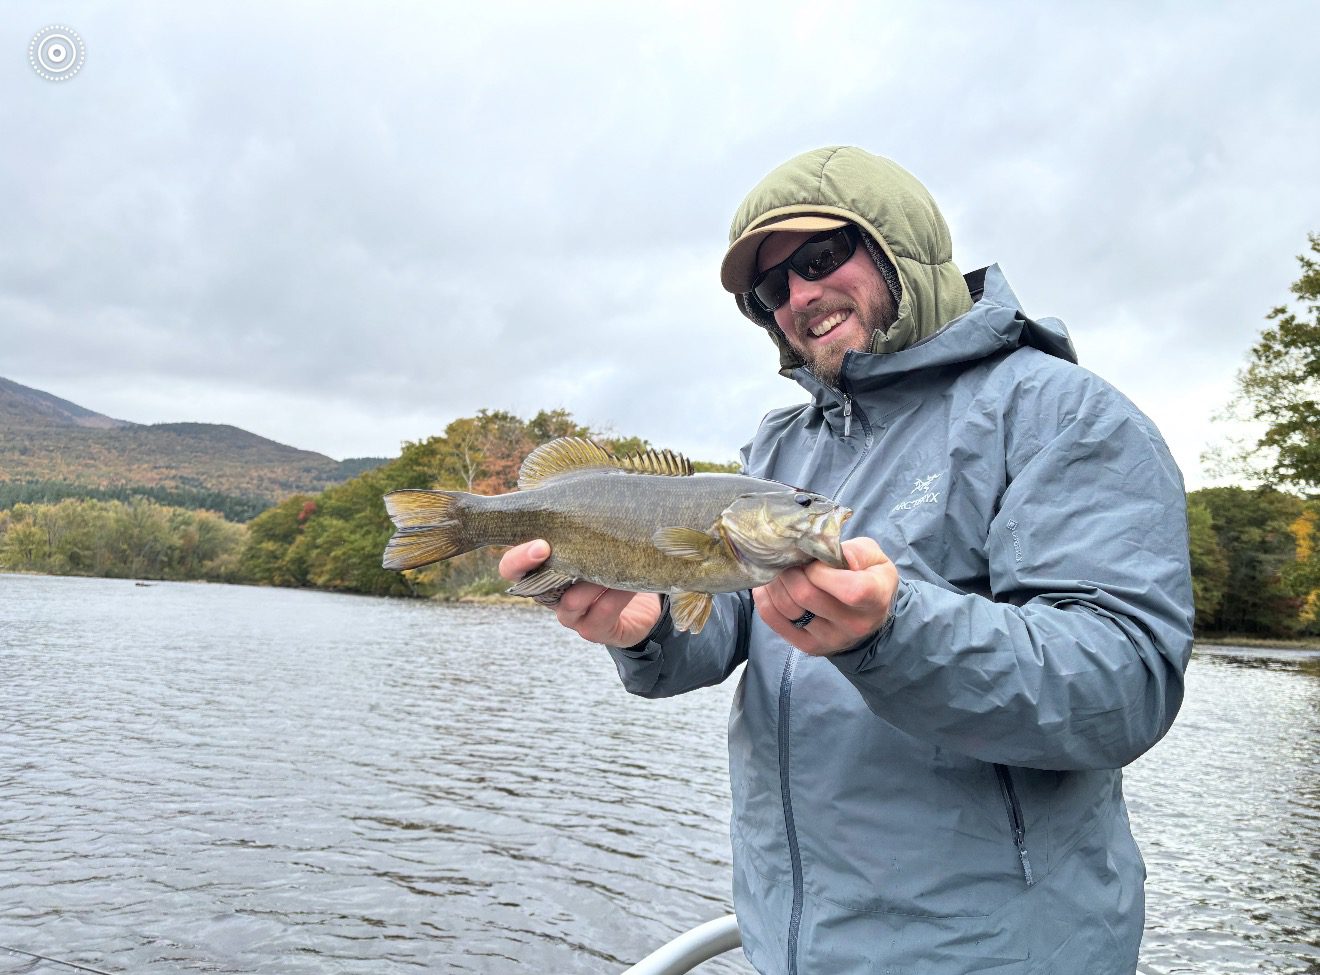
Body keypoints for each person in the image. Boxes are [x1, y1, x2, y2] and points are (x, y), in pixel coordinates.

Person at [500, 146, 1194, 974]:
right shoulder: (778, 447)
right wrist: (646, 627)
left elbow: (1124, 684)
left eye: (821, 256)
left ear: (900, 243)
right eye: (770, 287)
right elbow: (723, 625)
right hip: (792, 947)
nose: (798, 295)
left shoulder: (1061, 413)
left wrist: (894, 632)